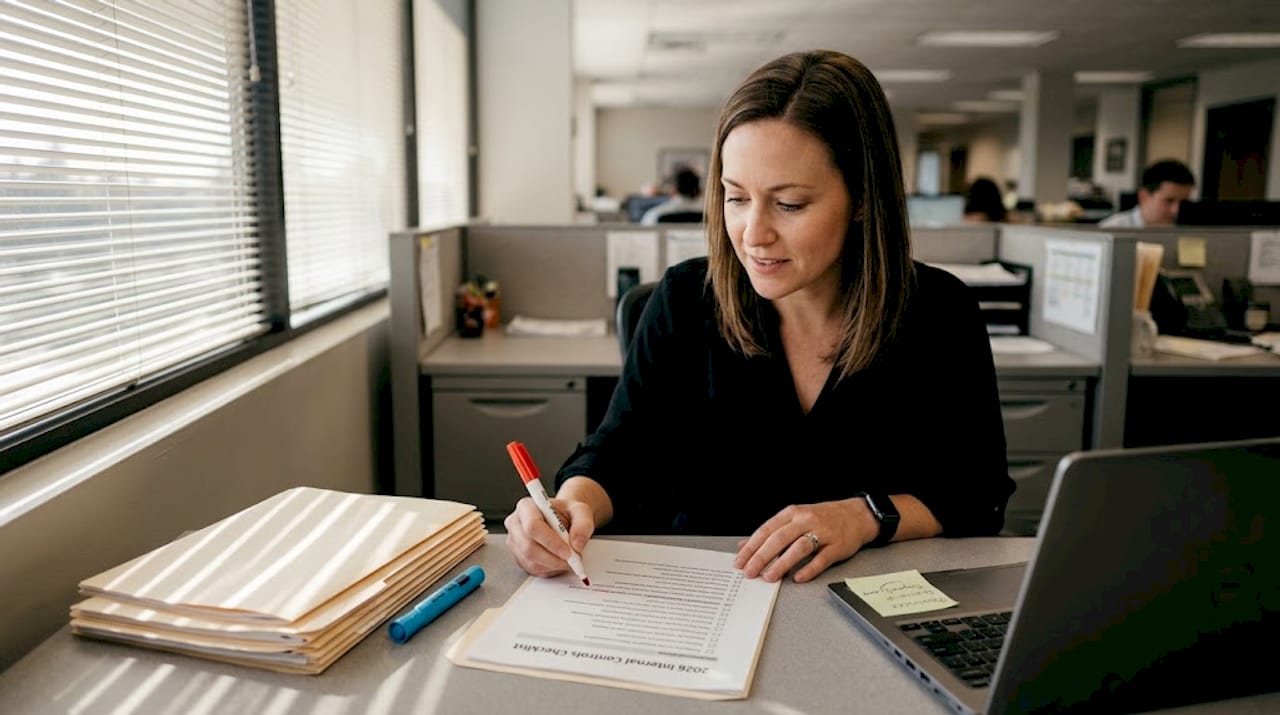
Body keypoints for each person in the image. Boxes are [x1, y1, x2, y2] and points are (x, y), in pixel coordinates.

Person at [505, 50, 1013, 585]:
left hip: (864, 603)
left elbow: (977, 498)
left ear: (863, 198)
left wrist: (864, 516)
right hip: (705, 600)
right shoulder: (686, 299)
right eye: (736, 198)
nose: (753, 233)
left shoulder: (937, 310)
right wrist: (568, 507)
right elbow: (619, 454)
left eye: (789, 204)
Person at [1098, 159, 1195, 228]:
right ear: (1143, 196)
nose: (1176, 210)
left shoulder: (1186, 231)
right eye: (1169, 201)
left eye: (1183, 202)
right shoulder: (1112, 229)